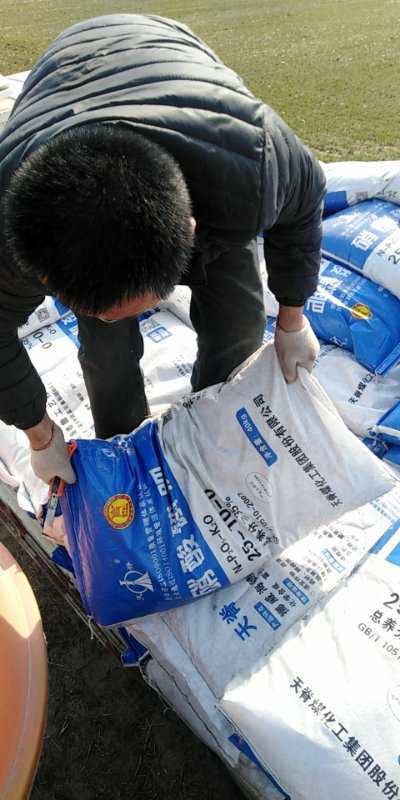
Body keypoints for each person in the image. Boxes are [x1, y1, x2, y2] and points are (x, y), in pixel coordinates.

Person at [0, 14, 324, 486]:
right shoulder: (9, 229)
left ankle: (215, 428)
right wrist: (40, 434)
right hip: (68, 72)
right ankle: (122, 446)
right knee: (107, 351)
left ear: (190, 235)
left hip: (177, 75)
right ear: (44, 276)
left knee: (237, 323)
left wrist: (292, 318)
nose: (109, 316)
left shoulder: (253, 161)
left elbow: (304, 206)